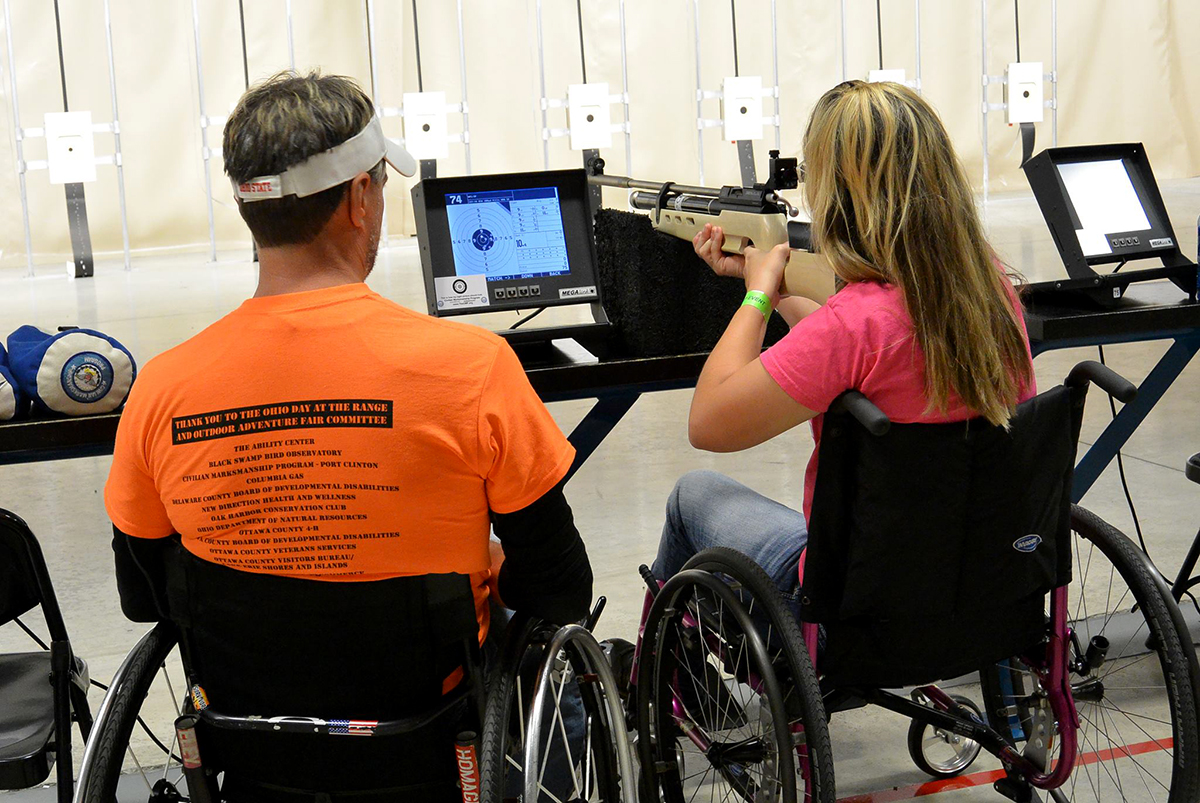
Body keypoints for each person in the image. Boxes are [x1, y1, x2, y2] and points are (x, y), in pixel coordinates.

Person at [104, 71, 592, 742]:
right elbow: (560, 584)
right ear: (360, 197)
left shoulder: (160, 391)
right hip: (433, 731)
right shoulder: (471, 368)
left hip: (253, 745)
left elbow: (145, 597)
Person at [652, 80, 1036, 605]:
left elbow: (709, 422)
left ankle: (654, 681)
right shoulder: (990, 290)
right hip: (979, 588)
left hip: (852, 608)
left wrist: (758, 297)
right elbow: (848, 352)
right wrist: (778, 285)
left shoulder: (854, 326)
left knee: (693, 495)